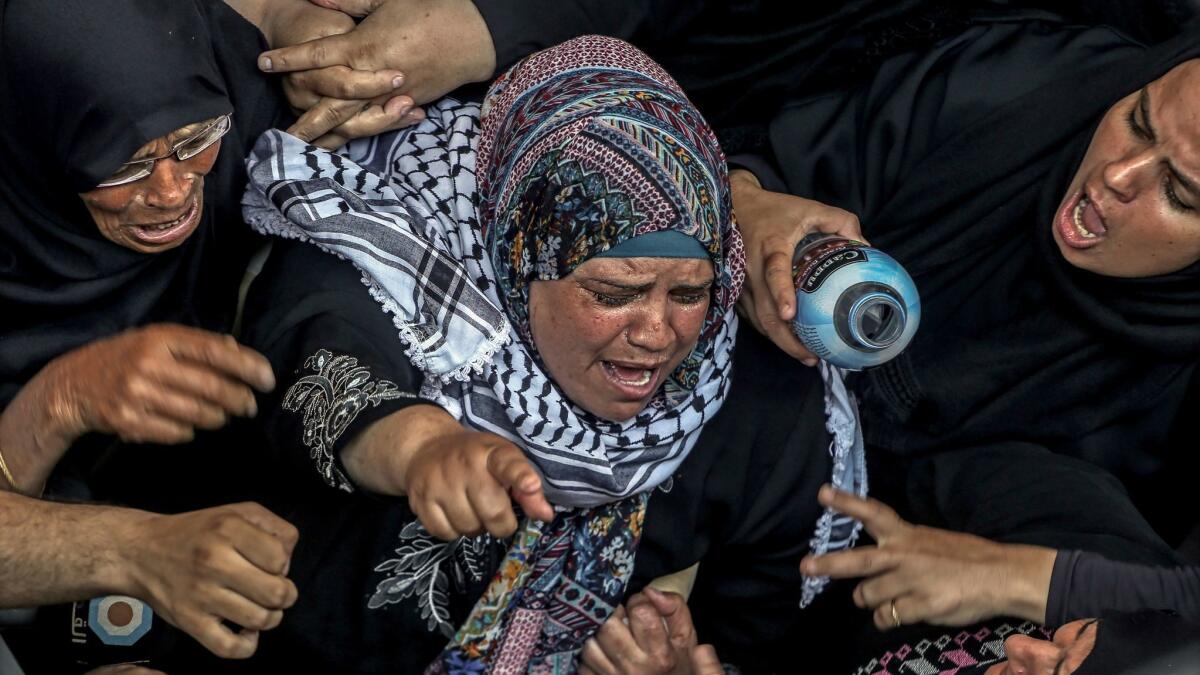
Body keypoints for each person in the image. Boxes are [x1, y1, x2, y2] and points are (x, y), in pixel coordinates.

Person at [234, 35, 749, 673]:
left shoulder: (729, 392)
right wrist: (423, 446)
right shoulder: (387, 255)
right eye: (617, 294)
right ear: (517, 257)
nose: (658, 334)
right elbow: (319, 368)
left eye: (690, 294)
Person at [0, 0, 414, 668]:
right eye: (121, 164)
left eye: (192, 141)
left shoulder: (228, 96)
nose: (170, 191)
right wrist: (64, 399)